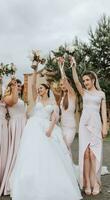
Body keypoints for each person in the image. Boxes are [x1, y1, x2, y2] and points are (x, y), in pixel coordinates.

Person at [9, 65, 82, 200]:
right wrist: (35, 70)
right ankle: (30, 180)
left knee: (49, 154)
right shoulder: (37, 99)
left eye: (41, 88)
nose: (38, 89)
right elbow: (31, 87)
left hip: (46, 127)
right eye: (38, 88)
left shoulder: (52, 102)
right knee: (32, 153)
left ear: (47, 89)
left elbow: (55, 117)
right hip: (33, 127)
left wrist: (50, 129)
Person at [71, 56, 107, 195]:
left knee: (93, 154)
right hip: (84, 125)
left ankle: (95, 182)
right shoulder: (83, 92)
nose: (85, 82)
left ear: (93, 80)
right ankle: (86, 182)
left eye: (87, 80)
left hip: (96, 125)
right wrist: (73, 66)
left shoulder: (101, 94)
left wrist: (105, 127)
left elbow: (103, 112)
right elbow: (75, 81)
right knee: (85, 154)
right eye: (84, 80)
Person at [0, 78, 26, 196]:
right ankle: (13, 179)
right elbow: (13, 101)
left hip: (24, 124)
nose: (19, 87)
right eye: (17, 86)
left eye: (20, 86)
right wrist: (13, 87)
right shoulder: (7, 98)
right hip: (16, 125)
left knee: (25, 151)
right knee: (16, 151)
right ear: (11, 87)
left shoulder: (21, 99)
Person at [58, 60, 76, 154]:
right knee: (65, 150)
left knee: (65, 146)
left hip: (70, 127)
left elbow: (64, 79)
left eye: (64, 84)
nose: (63, 85)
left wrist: (61, 66)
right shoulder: (62, 97)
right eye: (61, 85)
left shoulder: (72, 94)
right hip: (62, 127)